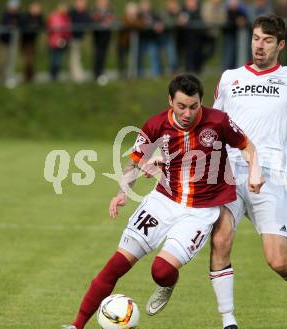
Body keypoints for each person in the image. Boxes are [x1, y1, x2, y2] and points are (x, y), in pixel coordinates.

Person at [140, 14, 287, 329]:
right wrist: (161, 157)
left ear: (281, 45)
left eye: (267, 40)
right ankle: (229, 321)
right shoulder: (231, 78)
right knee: (220, 239)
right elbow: (203, 126)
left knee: (278, 261)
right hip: (228, 173)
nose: (259, 46)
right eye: (255, 38)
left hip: (270, 177)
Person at [61, 73, 264, 329]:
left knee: (162, 271)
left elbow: (248, 146)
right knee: (115, 265)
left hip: (201, 211)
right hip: (163, 201)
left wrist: (255, 169)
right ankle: (76, 325)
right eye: (181, 106)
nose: (187, 113)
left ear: (201, 101)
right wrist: (122, 192)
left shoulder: (219, 121)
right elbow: (134, 162)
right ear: (170, 101)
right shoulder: (156, 125)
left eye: (193, 106)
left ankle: (168, 283)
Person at [20, 1, 44, 82]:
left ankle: (30, 77)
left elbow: (42, 25)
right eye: (35, 8)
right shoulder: (25, 16)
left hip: (33, 41)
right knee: (28, 60)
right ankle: (27, 77)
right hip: (25, 41)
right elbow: (23, 26)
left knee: (31, 59)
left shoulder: (39, 17)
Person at [48, 3, 72, 81]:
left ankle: (56, 75)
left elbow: (68, 29)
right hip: (54, 41)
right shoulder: (53, 16)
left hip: (63, 41)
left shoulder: (66, 17)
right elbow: (51, 28)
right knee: (55, 60)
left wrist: (67, 37)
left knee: (60, 59)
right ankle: (53, 76)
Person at [69, 0, 91, 82]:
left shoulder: (85, 13)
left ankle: (76, 74)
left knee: (76, 56)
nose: (82, 4)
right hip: (72, 37)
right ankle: (76, 75)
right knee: (75, 56)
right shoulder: (72, 12)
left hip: (79, 38)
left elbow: (88, 21)